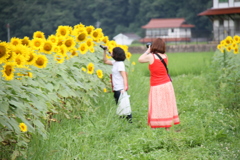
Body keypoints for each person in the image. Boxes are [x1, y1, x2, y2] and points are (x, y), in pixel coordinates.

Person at [138, 38, 179, 130]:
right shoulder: (165, 56)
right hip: (167, 84)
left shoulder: (151, 56)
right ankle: (167, 128)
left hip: (156, 85)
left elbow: (140, 59)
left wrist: (148, 50)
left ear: (154, 46)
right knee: (167, 104)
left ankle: (154, 126)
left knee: (156, 105)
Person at [103, 46, 132, 123]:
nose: (111, 53)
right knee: (120, 105)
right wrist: (105, 51)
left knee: (123, 106)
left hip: (120, 88)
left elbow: (124, 76)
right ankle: (123, 122)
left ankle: (128, 122)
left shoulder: (120, 64)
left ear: (116, 54)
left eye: (112, 52)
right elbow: (105, 61)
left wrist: (125, 87)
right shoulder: (115, 63)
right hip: (116, 88)